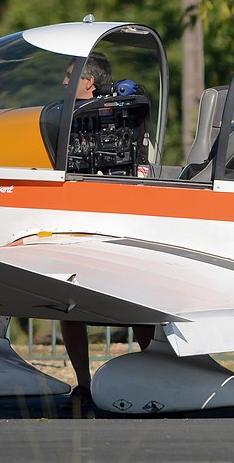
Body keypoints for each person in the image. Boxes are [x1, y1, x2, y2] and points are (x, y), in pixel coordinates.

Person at [59, 52, 153, 409]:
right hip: (74, 220)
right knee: (69, 306)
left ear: (90, 82)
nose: (65, 84)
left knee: (136, 303)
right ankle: (82, 384)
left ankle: (155, 371)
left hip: (117, 219)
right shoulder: (64, 117)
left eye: (71, 78)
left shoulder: (123, 112)